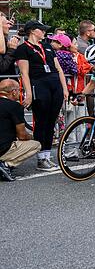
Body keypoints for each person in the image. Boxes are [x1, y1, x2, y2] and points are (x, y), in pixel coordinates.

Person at [15, 20, 67, 171]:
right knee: (41, 121)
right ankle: (40, 158)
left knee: (52, 121)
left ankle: (47, 155)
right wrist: (29, 93)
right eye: (42, 30)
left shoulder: (47, 46)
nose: (44, 32)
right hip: (39, 85)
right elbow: (24, 73)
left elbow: (58, 69)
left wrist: (64, 88)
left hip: (55, 85)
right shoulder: (23, 49)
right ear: (32, 31)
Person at [0, 79, 41, 181]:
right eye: (19, 90)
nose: (20, 93)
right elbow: (22, 136)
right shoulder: (15, 106)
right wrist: (33, 136)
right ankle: (6, 164)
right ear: (13, 92)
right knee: (36, 145)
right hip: (3, 148)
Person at [0, 12, 20, 77]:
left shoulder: (5, 40)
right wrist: (11, 50)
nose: (10, 25)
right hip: (4, 84)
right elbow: (2, 67)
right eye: (7, 23)